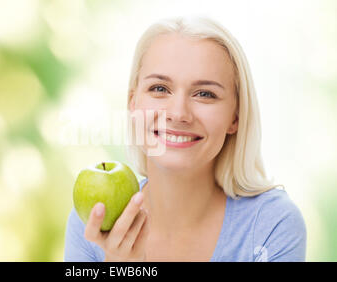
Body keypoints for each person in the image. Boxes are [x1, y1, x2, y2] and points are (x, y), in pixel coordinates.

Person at [64, 16, 306, 262]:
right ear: (133, 104)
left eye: (205, 94)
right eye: (159, 88)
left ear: (235, 117)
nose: (179, 113)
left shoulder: (271, 225)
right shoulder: (94, 220)